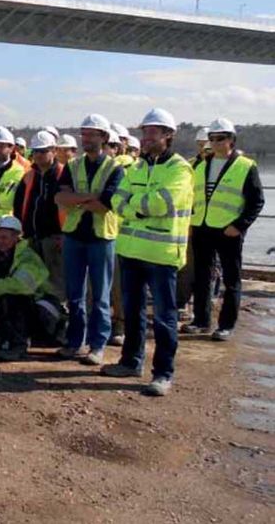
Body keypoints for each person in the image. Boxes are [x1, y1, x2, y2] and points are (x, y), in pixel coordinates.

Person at [103, 108, 194, 397]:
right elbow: (116, 199)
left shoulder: (179, 169)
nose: (147, 137)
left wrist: (133, 208)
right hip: (131, 251)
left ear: (168, 135)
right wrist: (135, 207)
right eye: (145, 132)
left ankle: (163, 374)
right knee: (132, 311)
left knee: (165, 318)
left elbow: (162, 204)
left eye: (153, 132)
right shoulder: (138, 167)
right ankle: (131, 361)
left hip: (162, 255)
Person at [184, 117, 265, 340]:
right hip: (202, 227)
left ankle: (226, 326)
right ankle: (201, 320)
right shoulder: (200, 164)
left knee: (231, 280)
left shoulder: (245, 166)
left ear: (231, 140)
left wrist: (239, 226)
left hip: (228, 231)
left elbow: (256, 201)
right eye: (212, 138)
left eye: (220, 138)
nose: (215, 142)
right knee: (201, 277)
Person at [55, 114, 124, 365]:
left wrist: (77, 198)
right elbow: (60, 199)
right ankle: (75, 342)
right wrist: (90, 197)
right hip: (74, 236)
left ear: (104, 137)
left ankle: (98, 345)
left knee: (100, 296)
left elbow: (105, 206)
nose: (86, 139)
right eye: (84, 134)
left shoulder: (115, 168)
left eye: (92, 134)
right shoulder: (73, 166)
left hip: (101, 238)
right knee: (74, 294)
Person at [0, 216, 53, 361]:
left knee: (13, 297)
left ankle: (19, 345)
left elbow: (22, 286)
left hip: (44, 310)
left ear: (16, 237)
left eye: (4, 237)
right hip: (27, 308)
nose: (0, 241)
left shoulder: (28, 257)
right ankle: (6, 338)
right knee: (3, 297)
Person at [12, 131, 65, 303]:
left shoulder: (64, 175)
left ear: (54, 151)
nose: (39, 155)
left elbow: (72, 209)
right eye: (36, 151)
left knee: (55, 284)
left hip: (54, 239)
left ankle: (56, 320)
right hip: (32, 238)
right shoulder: (29, 176)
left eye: (43, 151)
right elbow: (19, 205)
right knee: (33, 282)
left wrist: (65, 235)